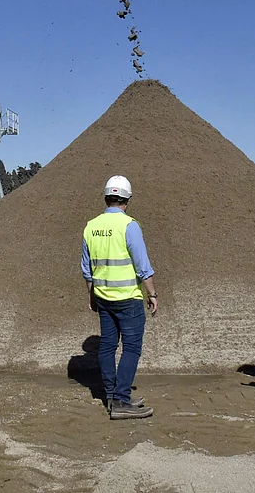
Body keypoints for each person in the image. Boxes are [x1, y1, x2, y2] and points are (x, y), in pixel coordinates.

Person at [82, 174, 158, 420]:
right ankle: (121, 401)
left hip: (103, 298)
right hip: (128, 298)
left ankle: (112, 396)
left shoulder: (91, 226)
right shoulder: (129, 226)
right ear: (127, 199)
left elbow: (87, 269)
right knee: (131, 348)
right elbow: (142, 265)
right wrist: (152, 293)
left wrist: (92, 295)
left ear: (106, 198)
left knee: (107, 346)